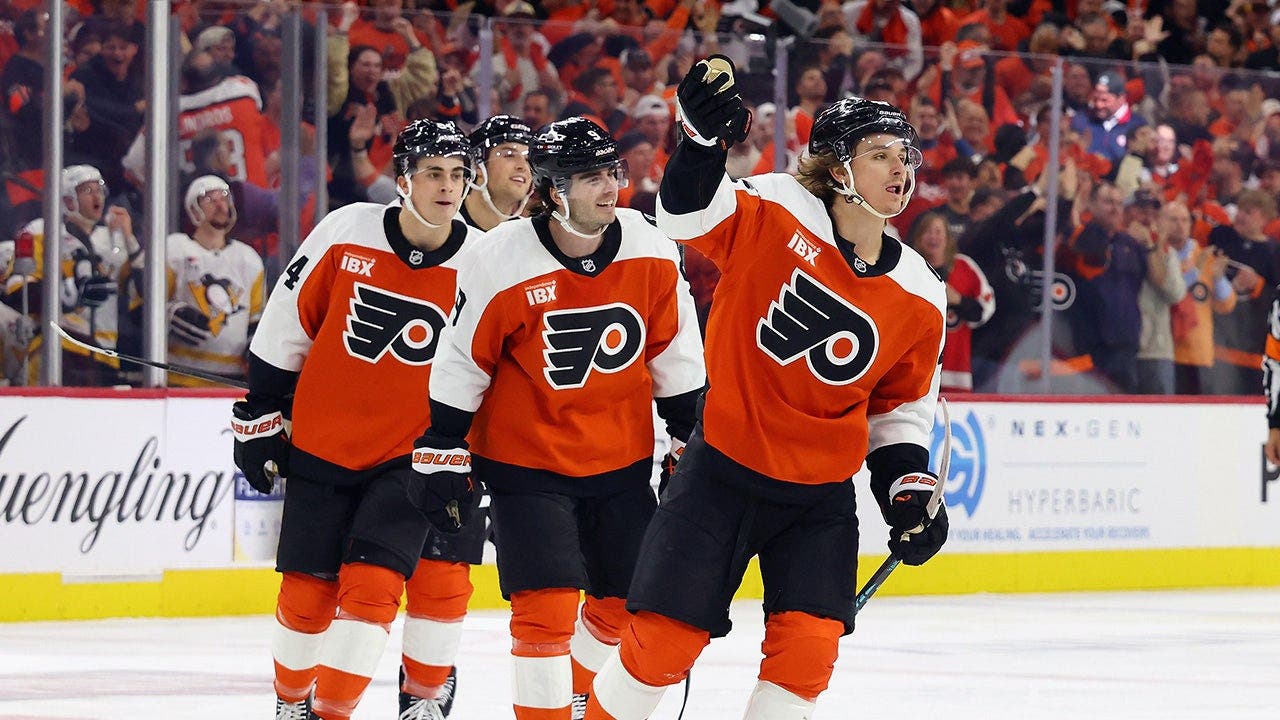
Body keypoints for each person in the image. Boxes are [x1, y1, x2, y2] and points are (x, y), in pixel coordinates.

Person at [583, 60, 949, 720]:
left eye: (905, 155)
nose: (901, 169)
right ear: (838, 168)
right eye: (879, 155)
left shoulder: (921, 290)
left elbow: (899, 409)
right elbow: (686, 216)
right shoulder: (778, 207)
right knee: (662, 646)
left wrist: (905, 489)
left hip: (819, 497)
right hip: (721, 472)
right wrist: (699, 143)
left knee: (806, 658)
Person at [410, 116, 706, 720]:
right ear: (551, 190)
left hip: (620, 460)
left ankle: (571, 695)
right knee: (544, 609)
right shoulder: (501, 258)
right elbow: (464, 358)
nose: (609, 187)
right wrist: (442, 442)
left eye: (611, 173)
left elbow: (674, 351)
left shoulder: (650, 247)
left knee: (622, 606)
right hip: (525, 464)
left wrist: (688, 438)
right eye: (590, 177)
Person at [230, 119, 482, 720]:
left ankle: (331, 713)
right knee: (306, 597)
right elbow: (287, 323)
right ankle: (292, 702)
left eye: (457, 175)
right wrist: (262, 410)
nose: (448, 187)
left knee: (373, 588)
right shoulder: (347, 231)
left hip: (413, 458)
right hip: (323, 443)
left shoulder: (481, 261)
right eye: (433, 174)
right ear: (403, 180)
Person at [8, 165, 141, 386]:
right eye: (87, 190)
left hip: (104, 356)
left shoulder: (114, 241)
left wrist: (130, 239)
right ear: (67, 199)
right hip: (58, 349)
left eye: (100, 190)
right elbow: (18, 291)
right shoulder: (42, 231)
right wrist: (70, 292)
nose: (97, 196)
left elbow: (142, 295)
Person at [165, 176, 265, 387]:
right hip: (180, 376)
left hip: (232, 379)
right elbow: (146, 306)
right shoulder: (175, 250)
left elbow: (255, 319)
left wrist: (254, 346)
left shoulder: (249, 260)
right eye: (210, 199)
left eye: (224, 198)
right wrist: (170, 313)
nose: (220, 205)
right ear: (193, 209)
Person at [906, 211, 994, 393]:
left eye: (938, 231)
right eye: (928, 231)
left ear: (948, 238)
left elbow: (984, 310)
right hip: (913, 372)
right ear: (918, 238)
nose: (933, 237)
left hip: (955, 373)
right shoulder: (909, 267)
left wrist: (958, 300)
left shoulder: (964, 267)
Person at [459, 115, 534, 232]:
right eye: (509, 155)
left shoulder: (529, 236)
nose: (523, 166)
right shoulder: (442, 229)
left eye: (528, 159)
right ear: (477, 164)